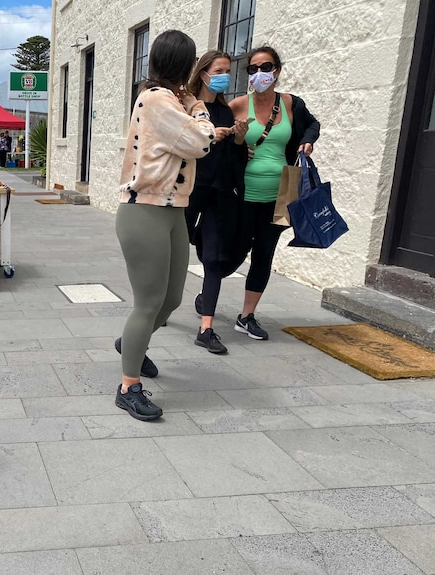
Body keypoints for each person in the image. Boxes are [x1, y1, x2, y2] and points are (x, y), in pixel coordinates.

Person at [114, 30, 215, 422]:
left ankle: (131, 345)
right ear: (185, 66)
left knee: (171, 300)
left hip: (174, 210)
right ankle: (128, 387)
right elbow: (201, 143)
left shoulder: (171, 100)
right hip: (145, 210)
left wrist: (189, 102)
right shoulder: (157, 99)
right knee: (149, 302)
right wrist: (199, 106)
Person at [228, 46, 320, 340]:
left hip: (282, 193)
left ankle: (246, 316)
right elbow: (222, 147)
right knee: (234, 250)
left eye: (265, 67)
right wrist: (240, 143)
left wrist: (307, 142)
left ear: (277, 70)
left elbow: (312, 125)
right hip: (243, 194)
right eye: (252, 69)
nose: (259, 74)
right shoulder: (239, 105)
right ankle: (209, 292)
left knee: (264, 254)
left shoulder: (291, 104)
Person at [185, 51, 250, 355]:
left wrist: (237, 139)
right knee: (171, 255)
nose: (225, 75)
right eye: (219, 70)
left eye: (228, 70)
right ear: (203, 73)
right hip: (187, 192)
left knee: (214, 258)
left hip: (219, 193)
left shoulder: (225, 111)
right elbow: (180, 147)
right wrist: (209, 137)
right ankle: (158, 309)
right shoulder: (186, 108)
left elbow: (235, 162)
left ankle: (206, 327)